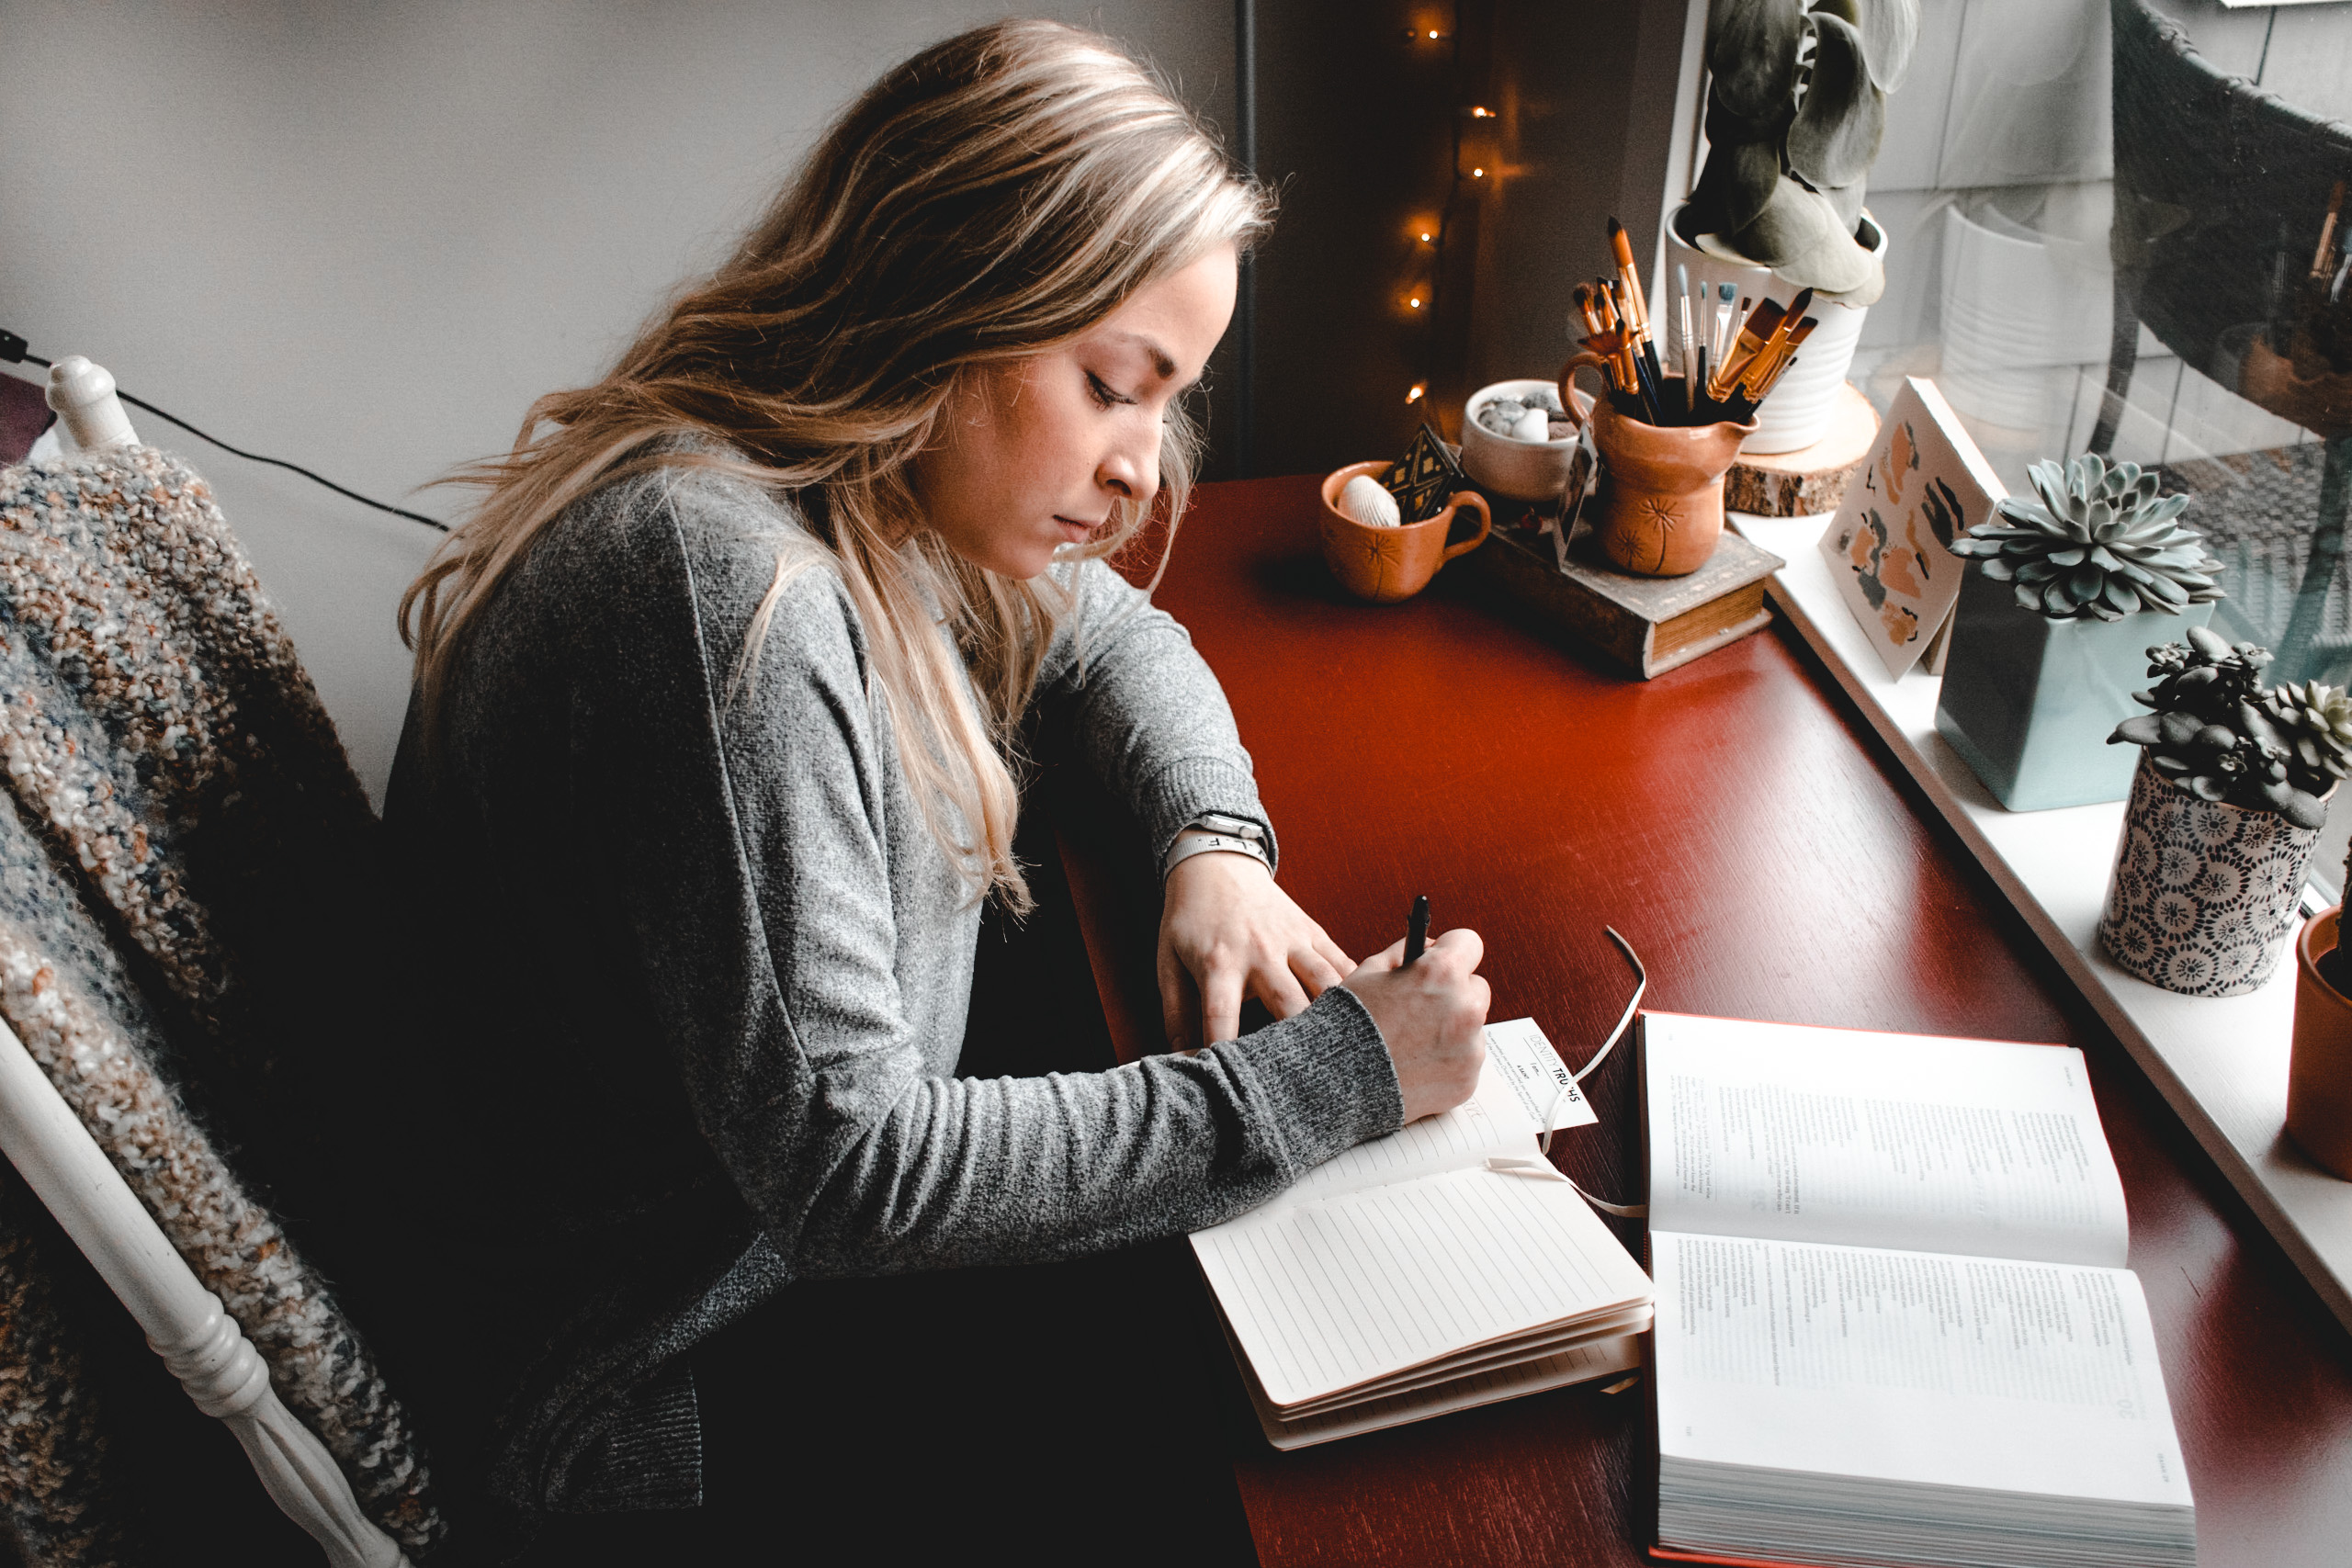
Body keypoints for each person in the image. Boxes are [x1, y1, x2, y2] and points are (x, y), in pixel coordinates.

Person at [374, 19, 1489, 1563]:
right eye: (1114, 384)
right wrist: (1338, 1080)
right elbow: (857, 1174)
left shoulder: (864, 486)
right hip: (661, 1375)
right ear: (951, 303)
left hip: (761, 1235)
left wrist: (1215, 845)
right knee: (1267, 1458)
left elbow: (1116, 640)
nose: (1143, 469)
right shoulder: (726, 599)